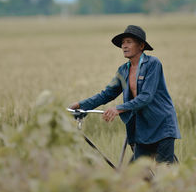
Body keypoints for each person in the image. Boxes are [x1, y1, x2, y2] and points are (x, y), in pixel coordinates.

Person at [69, 25, 181, 164]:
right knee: (136, 174)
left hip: (162, 126)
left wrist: (118, 109)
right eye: (123, 43)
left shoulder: (152, 64)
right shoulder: (123, 70)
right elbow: (106, 94)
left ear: (141, 46)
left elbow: (146, 96)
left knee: (166, 172)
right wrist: (81, 105)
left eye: (129, 42)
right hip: (142, 130)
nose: (124, 46)